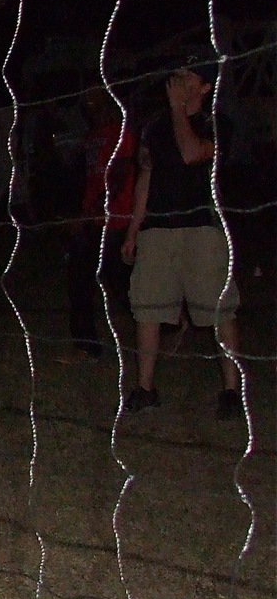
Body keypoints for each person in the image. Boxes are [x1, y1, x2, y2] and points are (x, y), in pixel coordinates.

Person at [121, 56, 242, 419]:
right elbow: (146, 178)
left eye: (189, 75)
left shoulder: (216, 124)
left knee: (217, 310)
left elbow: (192, 154)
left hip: (202, 229)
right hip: (158, 230)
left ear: (204, 87)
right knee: (147, 309)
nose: (178, 78)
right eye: (178, 73)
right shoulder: (153, 127)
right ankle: (145, 388)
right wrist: (133, 232)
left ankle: (231, 392)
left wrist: (178, 111)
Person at [60, 87, 136, 362]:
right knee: (83, 277)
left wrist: (90, 212)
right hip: (93, 218)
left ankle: (167, 323)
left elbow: (119, 175)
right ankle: (86, 345)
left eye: (95, 100)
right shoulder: (93, 136)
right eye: (86, 103)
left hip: (113, 219)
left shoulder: (119, 132)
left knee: (118, 283)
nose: (89, 107)